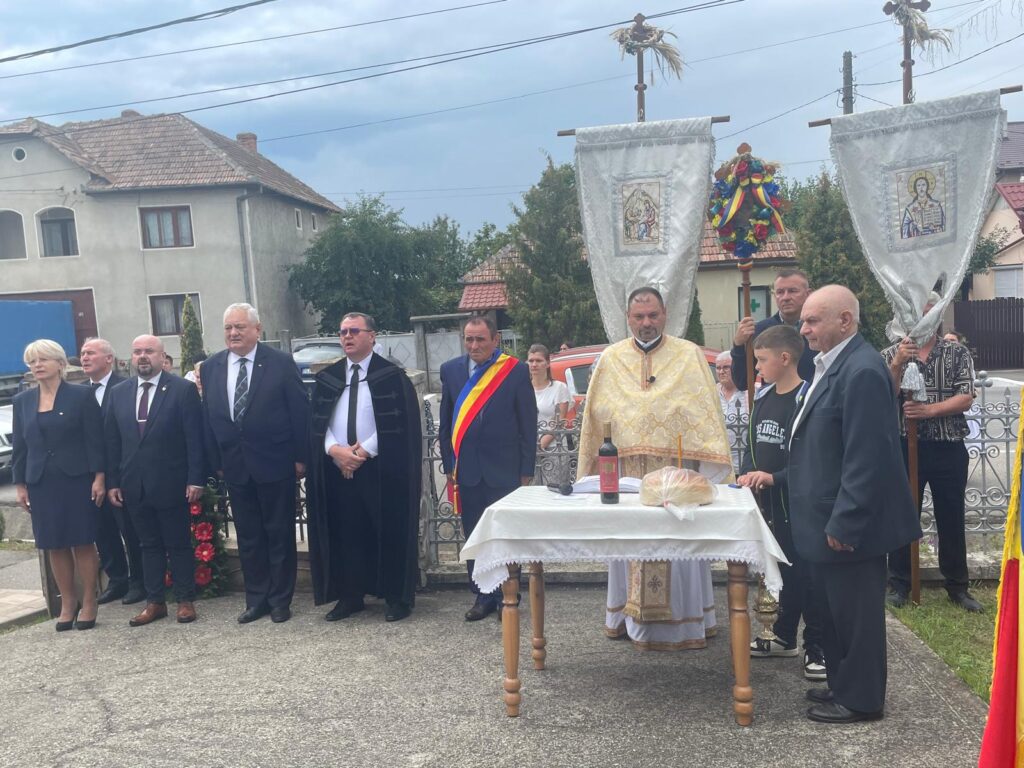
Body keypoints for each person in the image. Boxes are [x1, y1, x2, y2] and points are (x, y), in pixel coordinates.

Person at [788, 285, 921, 723]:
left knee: (856, 615)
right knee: (834, 611)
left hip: (848, 523)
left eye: (813, 320)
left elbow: (868, 455)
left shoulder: (861, 370)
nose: (804, 329)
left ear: (845, 320)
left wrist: (846, 520)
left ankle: (862, 699)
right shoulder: (834, 364)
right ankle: (843, 683)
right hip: (826, 516)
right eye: (804, 321)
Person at [577, 287, 733, 650]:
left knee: (680, 547)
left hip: (677, 474)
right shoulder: (611, 359)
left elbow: (705, 415)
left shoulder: (689, 355)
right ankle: (626, 619)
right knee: (630, 545)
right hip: (628, 474)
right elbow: (595, 417)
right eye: (639, 317)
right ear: (628, 319)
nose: (646, 323)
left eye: (653, 315)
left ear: (664, 315)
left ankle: (686, 625)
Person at [307, 312, 422, 623]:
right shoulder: (329, 378)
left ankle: (395, 597)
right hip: (337, 468)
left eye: (354, 331)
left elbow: (398, 423)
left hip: (381, 469)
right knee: (346, 532)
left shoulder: (391, 377)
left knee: (387, 529)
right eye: (343, 332)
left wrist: (361, 452)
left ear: (372, 336)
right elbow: (318, 422)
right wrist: (336, 451)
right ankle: (350, 596)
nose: (347, 337)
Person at [202, 303, 310, 624]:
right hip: (235, 466)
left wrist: (301, 458)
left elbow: (299, 412)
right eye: (228, 328)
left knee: (279, 534)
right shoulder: (211, 367)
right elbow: (209, 417)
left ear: (257, 329)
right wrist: (216, 461)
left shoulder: (280, 363)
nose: (233, 333)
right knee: (248, 537)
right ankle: (256, 599)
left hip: (275, 462)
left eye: (240, 327)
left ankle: (280, 601)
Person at [736, 325, 825, 681]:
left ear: (785, 358)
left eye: (761, 360)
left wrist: (776, 478)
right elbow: (752, 445)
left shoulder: (807, 398)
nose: (757, 367)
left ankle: (816, 646)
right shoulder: (763, 398)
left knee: (809, 578)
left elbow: (811, 458)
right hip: (769, 506)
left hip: (798, 506)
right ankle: (784, 636)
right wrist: (747, 474)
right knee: (784, 575)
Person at [882, 294, 980, 612]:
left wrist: (928, 411)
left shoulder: (956, 352)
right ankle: (899, 583)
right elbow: (884, 394)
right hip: (904, 445)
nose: (922, 318)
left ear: (937, 315)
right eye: (916, 312)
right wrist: (897, 363)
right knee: (902, 515)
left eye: (928, 312)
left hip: (947, 445)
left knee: (951, 515)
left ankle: (958, 586)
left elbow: (966, 396)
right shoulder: (891, 353)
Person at [439, 315, 537, 621]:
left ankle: (509, 591)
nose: (474, 345)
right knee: (475, 533)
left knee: (504, 534)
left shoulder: (514, 370)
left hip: (505, 468)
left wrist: (526, 467)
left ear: (495, 340)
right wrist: (449, 463)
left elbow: (528, 421)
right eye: (469, 339)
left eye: (480, 339)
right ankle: (483, 594)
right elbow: (446, 423)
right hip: (467, 469)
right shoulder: (451, 370)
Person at [105, 335, 206, 626]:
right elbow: (112, 442)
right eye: (137, 351)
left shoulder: (182, 390)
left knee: (178, 543)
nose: (142, 356)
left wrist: (196, 479)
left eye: (149, 351)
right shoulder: (119, 393)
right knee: (147, 545)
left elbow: (194, 438)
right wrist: (113, 481)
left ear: (162, 357)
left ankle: (185, 600)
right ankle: (155, 602)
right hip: (134, 485)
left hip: (171, 482)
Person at [11, 340, 105, 631]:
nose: (37, 365)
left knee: (82, 540)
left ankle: (89, 600)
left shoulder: (81, 395)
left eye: (43, 359)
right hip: (41, 481)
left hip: (77, 479)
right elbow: (20, 447)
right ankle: (68, 602)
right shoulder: (23, 401)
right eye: (32, 361)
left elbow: (95, 440)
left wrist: (100, 477)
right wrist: (20, 483)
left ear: (60, 363)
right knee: (53, 543)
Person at [80, 338, 145, 606]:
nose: (84, 358)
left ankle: (139, 580)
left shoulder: (126, 387)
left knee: (130, 529)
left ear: (109, 358)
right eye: (82, 353)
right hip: (92, 474)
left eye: (91, 353)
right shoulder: (79, 393)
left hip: (120, 472)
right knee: (102, 530)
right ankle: (117, 579)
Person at [730, 269, 815, 391]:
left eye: (792, 291)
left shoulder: (819, 329)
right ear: (775, 296)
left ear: (808, 294)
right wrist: (738, 345)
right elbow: (742, 383)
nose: (786, 297)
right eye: (780, 292)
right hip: (775, 401)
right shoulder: (761, 331)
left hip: (814, 400)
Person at [527, 344, 570, 485]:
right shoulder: (523, 388)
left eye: (538, 361)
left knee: (553, 491)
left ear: (547, 363)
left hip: (554, 448)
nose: (534, 364)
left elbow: (560, 420)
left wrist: (541, 445)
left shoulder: (559, 388)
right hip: (529, 450)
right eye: (531, 361)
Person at [715, 350, 748, 474]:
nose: (721, 372)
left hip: (743, 466)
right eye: (718, 368)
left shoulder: (750, 393)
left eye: (726, 367)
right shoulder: (711, 393)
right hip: (718, 466)